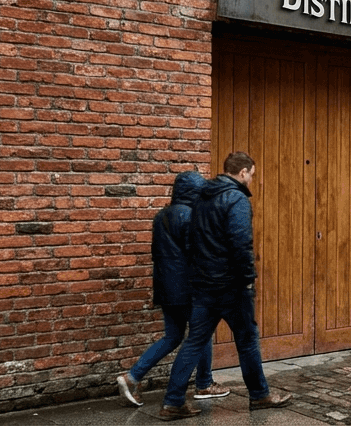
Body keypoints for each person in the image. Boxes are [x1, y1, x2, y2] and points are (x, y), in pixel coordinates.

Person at [157, 152, 293, 420]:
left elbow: (190, 243)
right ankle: (260, 395)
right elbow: (241, 242)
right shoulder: (236, 199)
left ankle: (172, 402)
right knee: (247, 340)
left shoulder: (201, 199)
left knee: (194, 341)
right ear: (242, 172)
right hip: (231, 286)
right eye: (252, 175)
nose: (252, 180)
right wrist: (246, 278)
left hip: (204, 286)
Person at [115, 172, 230, 406]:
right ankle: (204, 384)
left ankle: (132, 377)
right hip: (190, 289)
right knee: (202, 334)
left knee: (173, 336)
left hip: (167, 289)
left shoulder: (161, 217)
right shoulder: (192, 217)